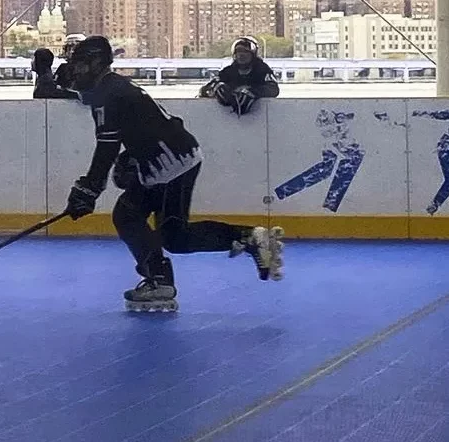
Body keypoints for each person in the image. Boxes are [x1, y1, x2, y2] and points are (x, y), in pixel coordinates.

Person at [62, 35, 284, 312]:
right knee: (155, 227)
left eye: (81, 64)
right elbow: (145, 126)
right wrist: (128, 160)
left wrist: (89, 189)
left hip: (168, 164)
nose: (76, 70)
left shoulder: (110, 95)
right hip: (170, 158)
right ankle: (243, 240)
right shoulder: (112, 88)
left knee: (163, 231)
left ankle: (161, 279)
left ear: (96, 63)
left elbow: (106, 149)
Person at [199, 36, 280, 116]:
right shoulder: (228, 71)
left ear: (253, 54)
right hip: (226, 119)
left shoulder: (262, 70)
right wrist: (218, 90)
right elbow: (205, 90)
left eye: (245, 51)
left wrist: (253, 92)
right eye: (238, 51)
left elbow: (273, 88)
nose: (241, 55)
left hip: (259, 117)